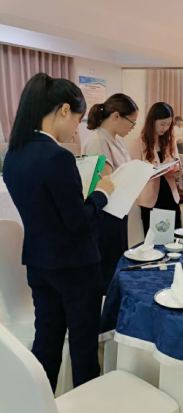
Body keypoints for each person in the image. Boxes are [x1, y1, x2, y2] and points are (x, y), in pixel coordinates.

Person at [2, 73, 114, 391]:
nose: (76, 128)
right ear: (64, 110)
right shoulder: (58, 157)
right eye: (78, 119)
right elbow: (78, 221)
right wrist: (101, 194)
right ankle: (86, 404)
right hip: (76, 266)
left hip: (39, 262)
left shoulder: (14, 155)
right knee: (83, 347)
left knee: (47, 341)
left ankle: (39, 402)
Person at [82, 93, 138, 294]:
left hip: (118, 209)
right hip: (105, 212)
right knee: (108, 266)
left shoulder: (115, 139)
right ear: (115, 116)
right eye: (132, 121)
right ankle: (106, 307)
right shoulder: (97, 140)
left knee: (117, 261)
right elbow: (105, 181)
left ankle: (114, 303)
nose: (133, 127)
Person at [128, 102, 182, 235]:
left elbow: (177, 163)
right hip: (151, 199)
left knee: (174, 237)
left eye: (168, 124)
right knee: (154, 239)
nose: (165, 128)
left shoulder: (170, 141)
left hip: (170, 195)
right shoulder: (137, 143)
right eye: (162, 124)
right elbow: (132, 173)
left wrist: (178, 172)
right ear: (152, 121)